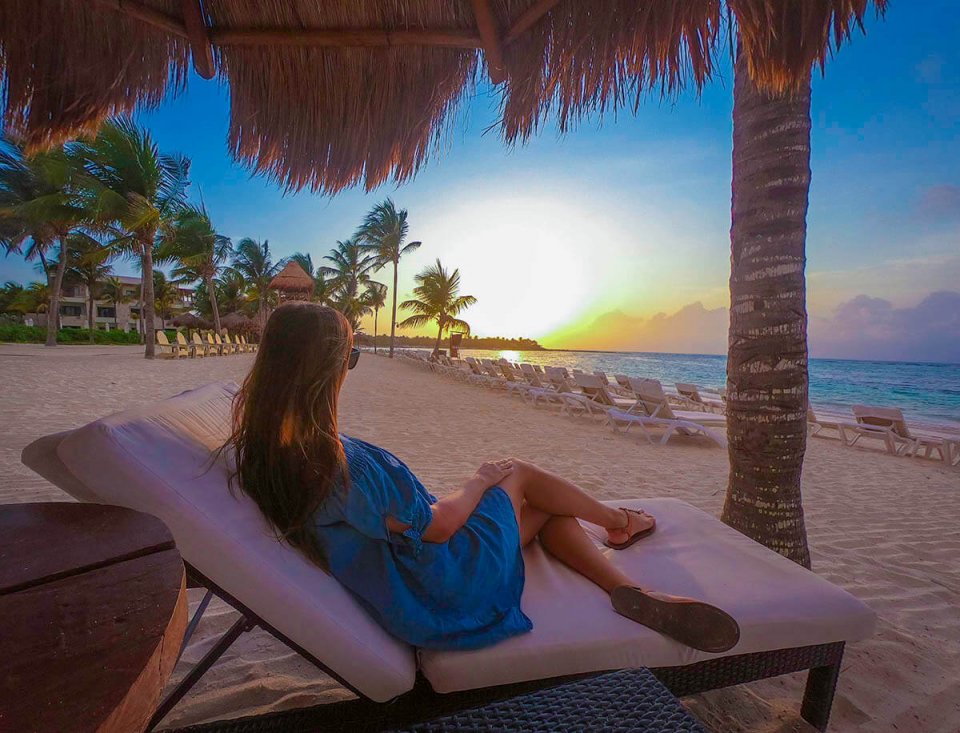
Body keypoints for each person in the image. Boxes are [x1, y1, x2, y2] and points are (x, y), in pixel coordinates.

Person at [227, 303, 739, 653]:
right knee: (515, 471)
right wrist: (477, 480)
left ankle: (626, 588)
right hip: (440, 589)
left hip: (405, 582)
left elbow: (401, 523)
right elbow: (439, 527)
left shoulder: (265, 455)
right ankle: (620, 521)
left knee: (543, 508)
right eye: (351, 358)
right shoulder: (344, 466)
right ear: (327, 370)